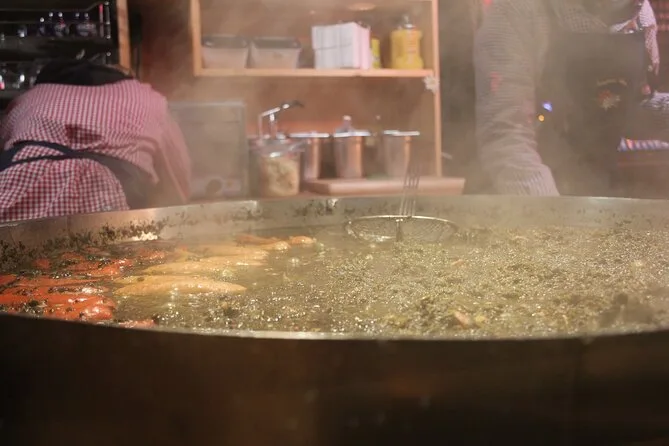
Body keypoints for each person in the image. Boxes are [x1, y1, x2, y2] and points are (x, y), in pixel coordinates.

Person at [469, 0, 669, 196]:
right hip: (516, 198)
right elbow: (506, 134)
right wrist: (555, 215)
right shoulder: (517, 9)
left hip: (595, 189)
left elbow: (622, 107)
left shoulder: (641, 12)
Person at [0, 59, 191, 222]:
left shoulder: (26, 99)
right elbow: (177, 175)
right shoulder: (147, 98)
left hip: (18, 202)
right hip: (120, 199)